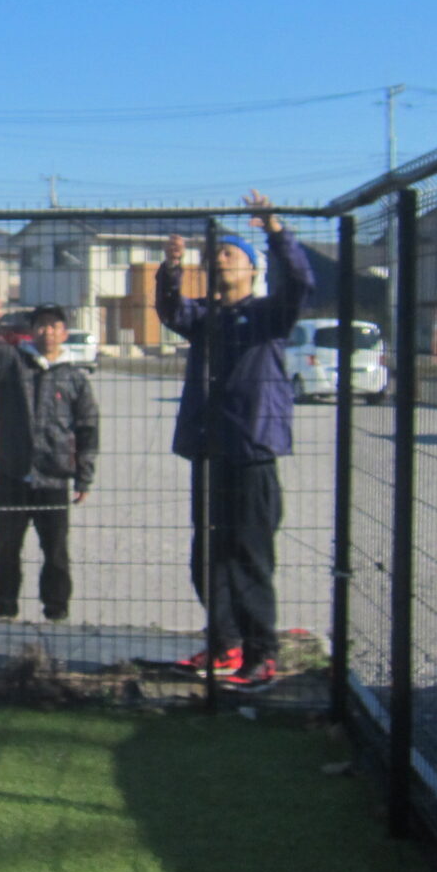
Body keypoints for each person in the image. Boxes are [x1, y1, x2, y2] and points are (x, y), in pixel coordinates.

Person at [154, 190, 313, 689]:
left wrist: (276, 231)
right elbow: (170, 310)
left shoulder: (268, 315)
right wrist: (171, 269)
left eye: (229, 252)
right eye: (213, 254)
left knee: (249, 558)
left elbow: (300, 282)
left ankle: (262, 654)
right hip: (209, 453)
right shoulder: (205, 318)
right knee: (208, 557)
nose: (218, 259)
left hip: (252, 454)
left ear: (251, 269)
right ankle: (225, 646)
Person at [0, 300, 98, 622]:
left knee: (56, 552)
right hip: (11, 476)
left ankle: (56, 612)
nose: (48, 331)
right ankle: (4, 611)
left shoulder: (75, 378)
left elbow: (88, 428)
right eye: (41, 324)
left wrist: (84, 476)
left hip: (53, 479)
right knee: (6, 548)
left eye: (54, 325)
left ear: (64, 333)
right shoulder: (11, 365)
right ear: (32, 330)